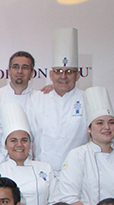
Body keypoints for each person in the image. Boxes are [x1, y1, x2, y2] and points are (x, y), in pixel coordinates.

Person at [27, 28, 87, 173]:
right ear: (51, 74)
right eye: (59, 71)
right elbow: (28, 137)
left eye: (69, 72)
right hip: (43, 172)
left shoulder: (87, 99)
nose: (63, 77)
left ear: (78, 75)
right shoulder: (37, 98)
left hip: (77, 173)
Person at [0, 103, 56, 205]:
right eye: (13, 140)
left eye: (24, 140)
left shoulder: (45, 168)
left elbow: (55, 201)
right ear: (5, 145)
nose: (19, 145)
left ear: (30, 143)